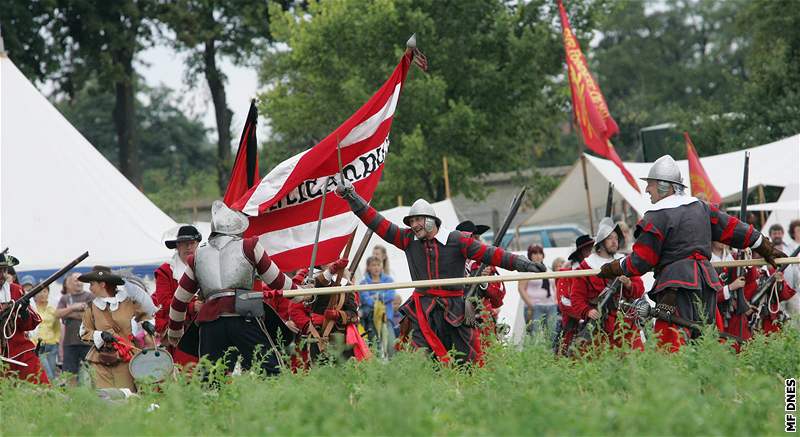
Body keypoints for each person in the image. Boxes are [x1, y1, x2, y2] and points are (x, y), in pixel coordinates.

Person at [336, 180, 545, 364]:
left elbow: (491, 254)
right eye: (412, 221)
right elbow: (377, 222)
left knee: (467, 361)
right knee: (421, 362)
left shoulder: (457, 240)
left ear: (431, 220)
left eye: (419, 220)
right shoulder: (407, 239)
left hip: (456, 310)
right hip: (423, 310)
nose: (415, 225)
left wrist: (522, 263)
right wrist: (353, 198)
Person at [598, 155, 785, 352]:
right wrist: (764, 246)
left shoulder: (656, 217)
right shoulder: (701, 208)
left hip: (676, 289)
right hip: (706, 284)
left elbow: (641, 261)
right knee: (707, 342)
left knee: (671, 344)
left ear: (664, 185)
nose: (647, 190)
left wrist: (614, 268)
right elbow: (733, 229)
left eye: (651, 185)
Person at [165, 201, 299, 376]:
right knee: (270, 371)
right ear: (237, 228)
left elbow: (178, 300)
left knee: (211, 379)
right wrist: (301, 295)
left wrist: (175, 331)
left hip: (210, 323)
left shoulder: (198, 256)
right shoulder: (249, 246)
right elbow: (277, 282)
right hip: (244, 316)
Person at [568, 218, 645, 352]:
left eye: (616, 238)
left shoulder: (625, 262)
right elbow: (576, 297)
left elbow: (639, 290)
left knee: (634, 361)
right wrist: (588, 311)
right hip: (600, 323)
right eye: (610, 238)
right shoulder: (586, 266)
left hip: (625, 322)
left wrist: (628, 283)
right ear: (601, 242)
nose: (614, 241)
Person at [78, 266, 156, 391]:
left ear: (102, 284)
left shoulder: (129, 302)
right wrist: (100, 335)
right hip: (100, 359)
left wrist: (147, 324)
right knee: (104, 397)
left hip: (126, 358)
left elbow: (145, 317)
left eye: (92, 284)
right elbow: (84, 333)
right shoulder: (91, 307)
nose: (89, 288)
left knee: (127, 396)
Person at [290, 260, 368, 364]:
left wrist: (339, 315)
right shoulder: (311, 280)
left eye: (333, 261)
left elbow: (354, 316)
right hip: (317, 335)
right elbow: (317, 285)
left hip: (341, 337)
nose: (329, 263)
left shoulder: (346, 285)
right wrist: (308, 326)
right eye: (327, 261)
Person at [153, 224, 202, 367]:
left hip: (205, 327)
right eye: (184, 244)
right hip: (179, 330)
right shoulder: (166, 271)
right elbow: (165, 303)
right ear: (177, 246)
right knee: (185, 371)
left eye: (192, 243)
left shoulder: (205, 266)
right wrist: (192, 307)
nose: (188, 247)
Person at [0, 253, 49, 384]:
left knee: (42, 389)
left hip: (20, 351)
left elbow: (29, 325)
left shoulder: (16, 290)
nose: (2, 275)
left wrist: (23, 311)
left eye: (4, 270)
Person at [554, 234, 593, 356]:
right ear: (582, 252)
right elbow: (564, 303)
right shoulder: (567, 274)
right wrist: (587, 312)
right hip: (575, 328)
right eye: (589, 249)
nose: (593, 253)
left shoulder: (598, 270)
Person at [55, 272, 94, 385]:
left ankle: (97, 396)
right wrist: (74, 307)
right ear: (70, 282)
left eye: (81, 280)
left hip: (88, 342)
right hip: (70, 342)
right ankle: (72, 398)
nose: (79, 282)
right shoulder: (65, 298)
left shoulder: (90, 296)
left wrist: (69, 313)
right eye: (76, 280)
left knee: (92, 373)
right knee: (69, 374)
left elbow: (92, 315)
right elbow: (57, 314)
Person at [359, 256, 396, 355]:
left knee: (391, 345)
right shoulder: (363, 283)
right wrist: (381, 297)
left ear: (382, 266)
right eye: (373, 265)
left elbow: (391, 295)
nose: (376, 268)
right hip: (371, 320)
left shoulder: (389, 280)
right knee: (374, 346)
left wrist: (376, 296)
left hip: (386, 318)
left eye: (378, 265)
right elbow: (365, 300)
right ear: (368, 267)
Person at [518, 245, 555, 335]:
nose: (538, 256)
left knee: (552, 335)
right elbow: (521, 288)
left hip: (550, 305)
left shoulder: (548, 270)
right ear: (530, 255)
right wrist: (531, 305)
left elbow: (554, 286)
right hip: (535, 306)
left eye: (540, 253)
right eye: (534, 253)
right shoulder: (526, 271)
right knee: (535, 336)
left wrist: (556, 301)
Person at [32, 284, 61, 382]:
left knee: (52, 372)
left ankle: (52, 395)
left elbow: (57, 327)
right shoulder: (32, 310)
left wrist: (57, 340)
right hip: (38, 345)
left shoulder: (52, 309)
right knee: (47, 373)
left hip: (52, 345)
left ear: (48, 293)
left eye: (45, 291)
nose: (42, 294)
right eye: (39, 292)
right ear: (34, 295)